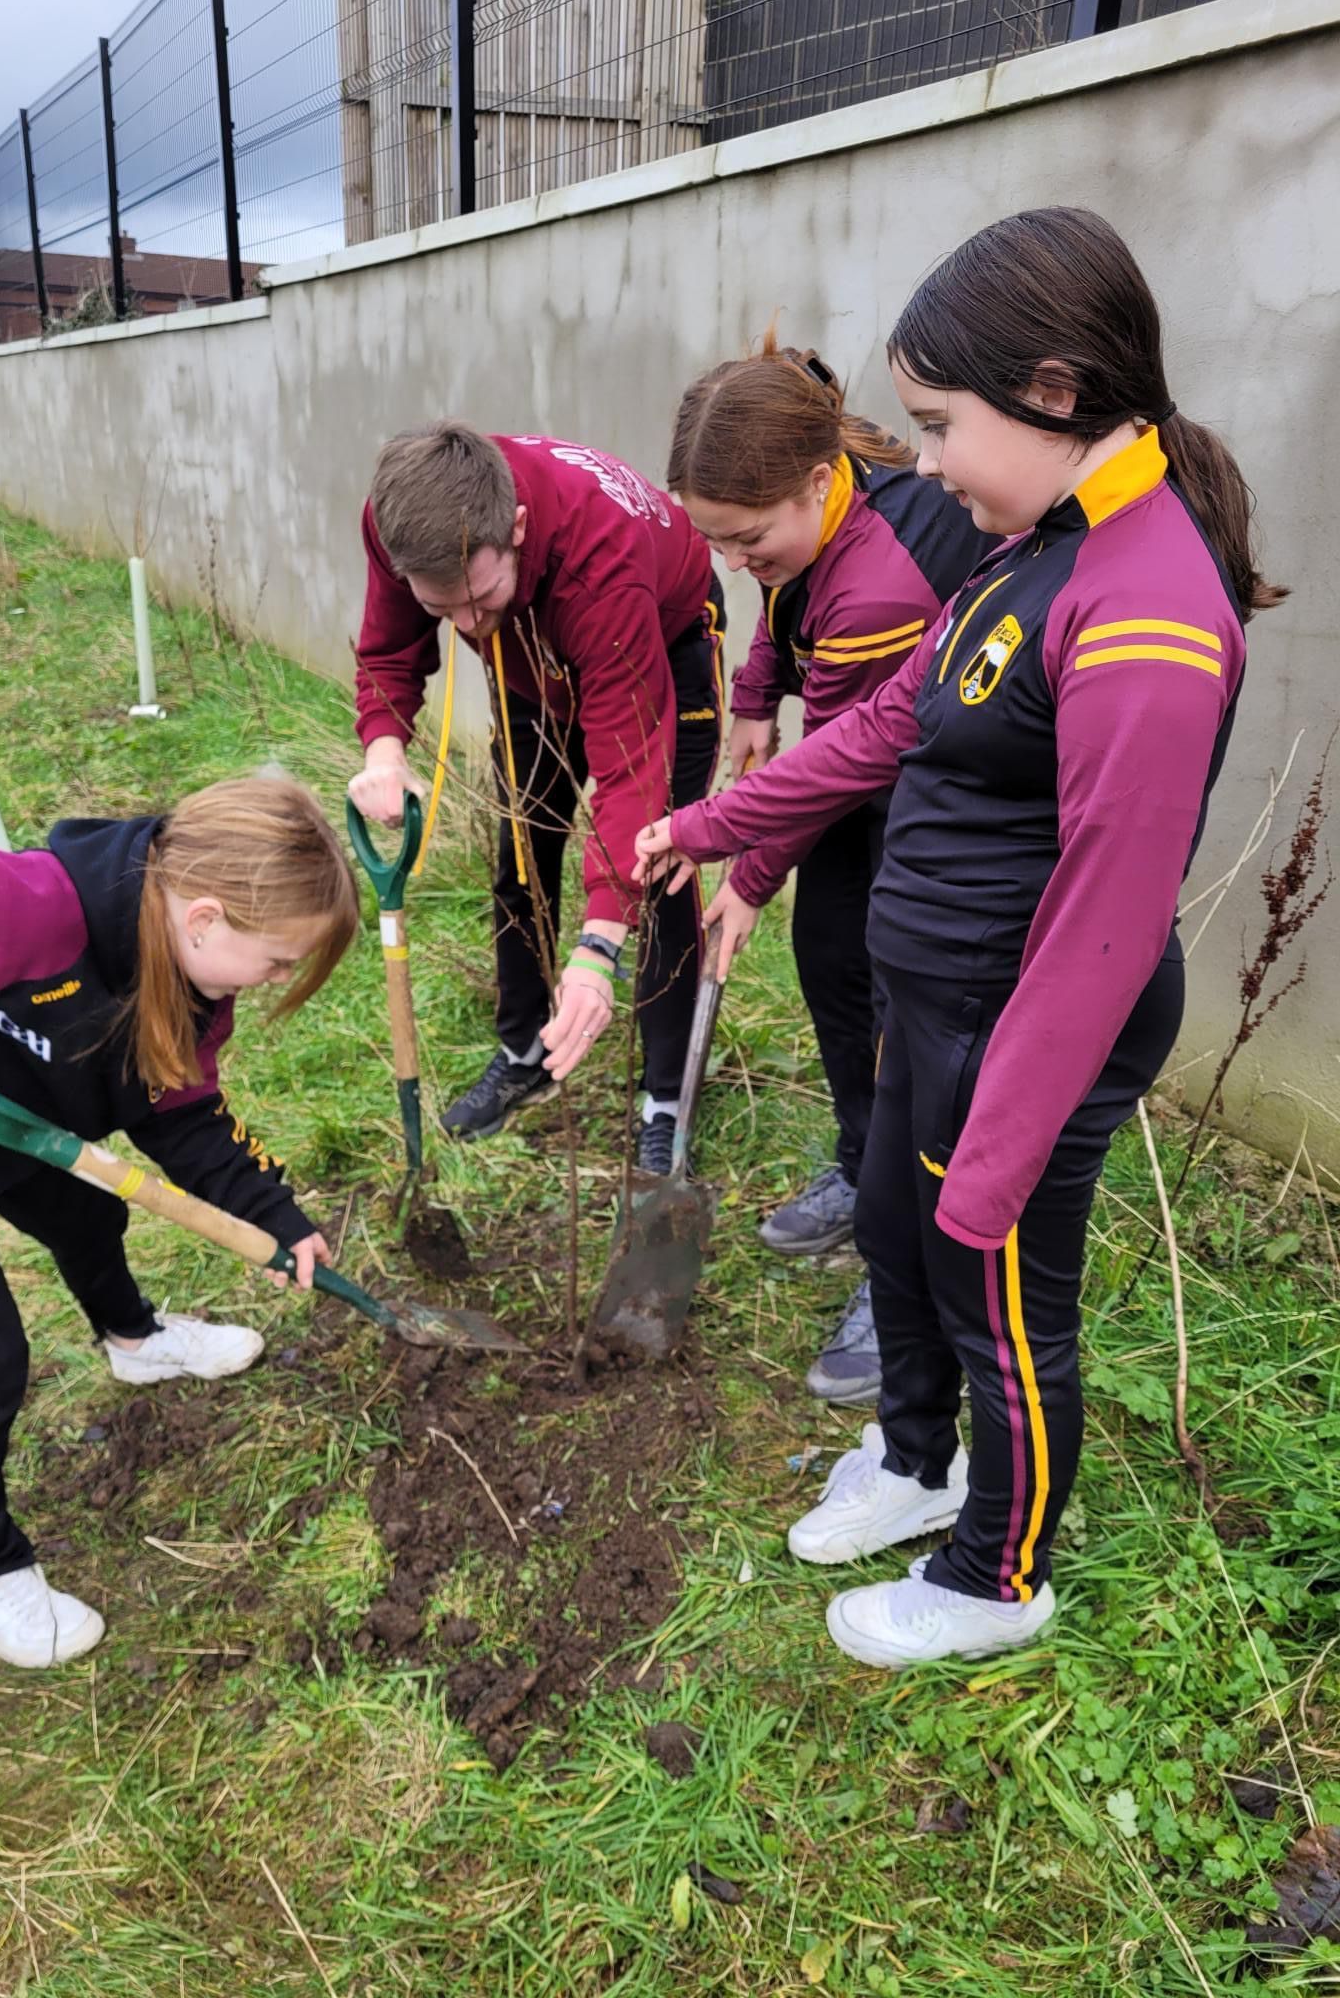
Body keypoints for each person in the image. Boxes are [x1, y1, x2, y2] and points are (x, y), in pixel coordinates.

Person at [635, 207, 1283, 1666]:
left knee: (999, 1296)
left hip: (1020, 1028)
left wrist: (991, 1161)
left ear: (1052, 393)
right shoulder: (1032, 546)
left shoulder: (1150, 608)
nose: (919, 460)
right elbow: (888, 723)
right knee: (893, 1228)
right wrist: (722, 824)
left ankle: (999, 1572)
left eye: (939, 422)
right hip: (928, 1003)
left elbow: (1107, 927)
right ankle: (915, 1457)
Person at [0, 776, 359, 1667]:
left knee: (88, 1220)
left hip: (15, 1126)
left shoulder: (191, 990)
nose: (277, 983)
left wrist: (277, 1219)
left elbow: (183, 1117)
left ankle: (134, 1339)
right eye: (277, 961)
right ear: (204, 919)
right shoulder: (24, 909)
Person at [666, 334, 987, 1402]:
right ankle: (860, 1169)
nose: (734, 561)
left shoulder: (882, 585)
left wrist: (746, 878)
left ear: (814, 482)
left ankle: (898, 1255)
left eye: (746, 538)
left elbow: (836, 769)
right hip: (870, 764)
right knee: (832, 959)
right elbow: (781, 606)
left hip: (941, 797)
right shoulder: (820, 509)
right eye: (717, 543)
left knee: (900, 1007)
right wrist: (755, 694)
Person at [348, 423, 723, 1173]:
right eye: (441, 606)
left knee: (663, 869)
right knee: (521, 845)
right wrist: (384, 749)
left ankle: (665, 1098)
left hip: (660, 639)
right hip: (527, 653)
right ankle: (523, 1049)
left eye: (477, 596)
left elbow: (629, 775)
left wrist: (596, 951)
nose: (463, 625)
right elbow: (390, 647)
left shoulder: (601, 561)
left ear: (516, 529)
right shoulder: (407, 522)